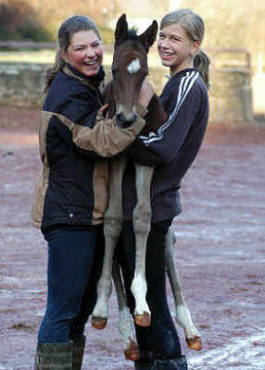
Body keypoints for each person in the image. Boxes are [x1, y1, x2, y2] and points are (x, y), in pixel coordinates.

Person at [31, 15, 154, 370]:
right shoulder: (65, 95)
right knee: (63, 310)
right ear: (65, 53)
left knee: (79, 311)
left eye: (95, 45)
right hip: (70, 216)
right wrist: (142, 107)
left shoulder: (91, 85)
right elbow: (101, 142)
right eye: (80, 48)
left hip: (88, 214)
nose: (91, 53)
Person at [117, 9, 210, 370]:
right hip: (139, 203)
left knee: (152, 298)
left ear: (194, 45)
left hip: (153, 206)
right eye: (164, 38)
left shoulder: (188, 84)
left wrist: (116, 138)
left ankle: (170, 363)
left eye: (176, 39)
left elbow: (163, 145)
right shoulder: (172, 83)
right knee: (142, 300)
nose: (166, 45)